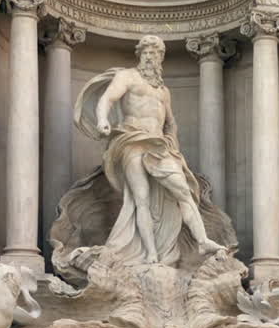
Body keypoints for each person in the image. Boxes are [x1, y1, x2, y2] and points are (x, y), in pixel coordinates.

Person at [74, 35, 224, 266]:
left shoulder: (163, 91)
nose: (150, 57)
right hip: (131, 140)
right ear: (140, 54)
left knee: (183, 191)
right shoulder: (127, 77)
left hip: (159, 146)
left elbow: (171, 122)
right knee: (140, 198)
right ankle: (150, 253)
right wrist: (102, 119)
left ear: (161, 58)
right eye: (146, 52)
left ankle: (202, 240)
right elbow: (107, 98)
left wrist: (172, 143)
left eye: (155, 53)